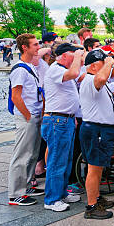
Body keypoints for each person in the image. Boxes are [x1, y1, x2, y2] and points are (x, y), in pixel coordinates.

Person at [41, 43, 84, 212]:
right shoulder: (55, 70)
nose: (75, 57)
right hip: (57, 121)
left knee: (65, 160)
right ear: (64, 55)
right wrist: (79, 55)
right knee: (56, 160)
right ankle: (51, 199)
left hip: (65, 120)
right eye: (72, 54)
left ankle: (61, 192)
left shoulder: (61, 70)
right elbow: (74, 73)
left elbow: (79, 76)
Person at [78, 49, 114, 219]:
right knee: (94, 169)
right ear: (95, 66)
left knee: (98, 167)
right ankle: (91, 206)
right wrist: (109, 62)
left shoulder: (95, 78)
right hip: (96, 130)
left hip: (101, 129)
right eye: (103, 64)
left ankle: (95, 197)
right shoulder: (91, 80)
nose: (107, 68)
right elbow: (103, 77)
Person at [7, 34, 45, 206]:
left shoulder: (30, 66)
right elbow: (16, 96)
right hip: (27, 117)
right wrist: (28, 117)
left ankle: (27, 185)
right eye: (35, 45)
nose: (38, 47)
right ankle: (15, 194)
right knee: (22, 155)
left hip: (34, 115)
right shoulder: (20, 69)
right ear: (25, 47)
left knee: (32, 153)